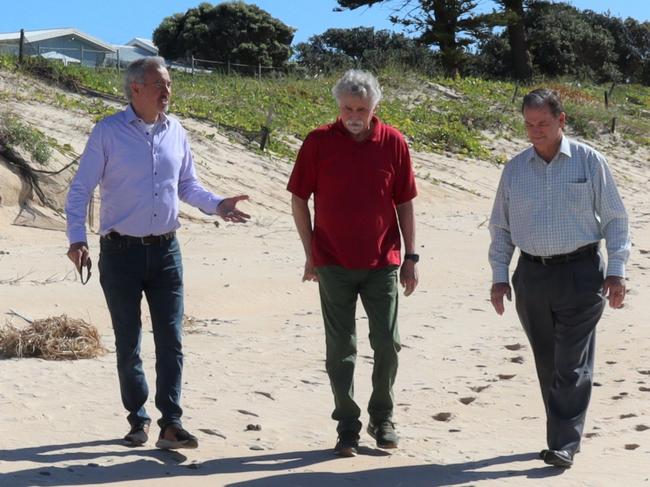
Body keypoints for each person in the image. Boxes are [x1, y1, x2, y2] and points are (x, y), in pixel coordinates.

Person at [65, 56, 250, 450]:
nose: (167, 91)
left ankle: (171, 423)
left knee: (172, 339)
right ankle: (137, 420)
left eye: (168, 84)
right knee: (128, 341)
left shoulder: (176, 131)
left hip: (167, 250)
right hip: (120, 253)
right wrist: (76, 239)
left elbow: (188, 186)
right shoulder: (108, 133)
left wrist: (218, 204)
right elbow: (80, 189)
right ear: (135, 88)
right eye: (158, 84)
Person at [488, 88, 630, 468]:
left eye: (544, 124)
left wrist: (616, 271)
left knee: (571, 362)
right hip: (531, 276)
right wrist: (499, 277)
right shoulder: (514, 169)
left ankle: (564, 443)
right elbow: (500, 228)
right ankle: (561, 432)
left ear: (561, 120)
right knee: (548, 363)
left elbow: (616, 219)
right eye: (529, 125)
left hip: (582, 274)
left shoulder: (589, 162)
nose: (536, 131)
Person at [287, 69, 418, 457]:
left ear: (375, 107)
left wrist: (411, 257)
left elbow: (405, 202)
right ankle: (347, 424)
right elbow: (299, 198)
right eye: (347, 108)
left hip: (382, 262)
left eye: (361, 107)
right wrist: (310, 252)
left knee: (388, 343)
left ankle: (383, 416)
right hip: (333, 263)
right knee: (340, 349)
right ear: (338, 106)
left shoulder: (393, 142)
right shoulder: (318, 142)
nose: (354, 114)